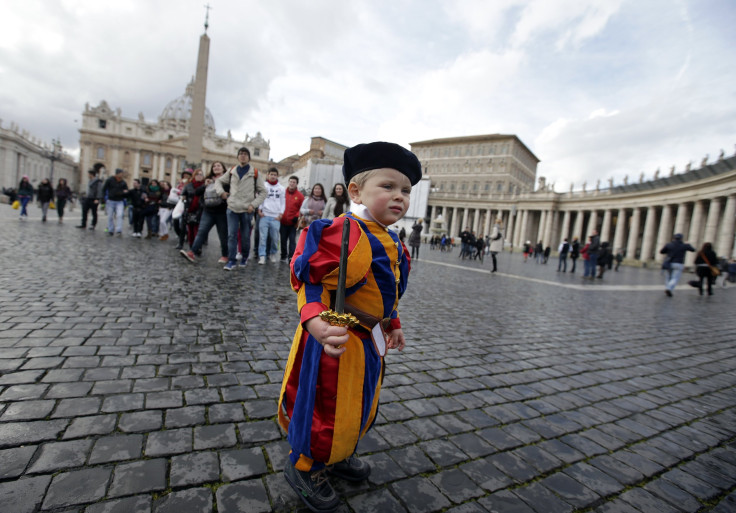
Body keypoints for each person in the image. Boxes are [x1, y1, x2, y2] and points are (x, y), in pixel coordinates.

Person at [279, 141, 419, 512]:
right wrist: (314, 321)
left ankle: (339, 452)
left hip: (368, 341)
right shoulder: (345, 232)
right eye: (387, 186)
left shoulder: (393, 241)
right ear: (356, 191)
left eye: (405, 190)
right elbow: (309, 279)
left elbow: (387, 292)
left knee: (357, 401)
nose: (399, 197)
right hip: (334, 337)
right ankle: (305, 465)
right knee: (324, 403)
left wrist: (394, 323)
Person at [215, 147, 267, 270]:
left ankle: (244, 257)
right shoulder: (232, 170)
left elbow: (263, 192)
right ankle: (231, 260)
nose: (243, 156)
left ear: (249, 157)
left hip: (246, 210)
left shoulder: (254, 172)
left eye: (245, 154)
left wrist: (253, 205)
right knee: (231, 235)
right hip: (232, 208)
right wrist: (221, 193)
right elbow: (218, 181)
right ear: (238, 157)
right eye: (240, 154)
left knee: (245, 237)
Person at [182, 162, 230, 264]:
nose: (216, 167)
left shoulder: (228, 180)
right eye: (214, 166)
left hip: (221, 212)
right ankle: (192, 252)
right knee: (201, 232)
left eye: (218, 166)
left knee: (223, 235)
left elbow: (231, 193)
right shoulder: (208, 179)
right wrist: (205, 185)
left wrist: (225, 192)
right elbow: (197, 192)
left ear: (223, 169)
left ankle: (225, 255)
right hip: (208, 211)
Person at [258, 167, 286, 264]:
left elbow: (283, 202)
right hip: (264, 215)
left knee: (275, 238)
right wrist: (259, 210)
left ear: (277, 176)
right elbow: (260, 198)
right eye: (271, 174)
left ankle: (273, 253)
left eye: (275, 175)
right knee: (263, 237)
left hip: (276, 217)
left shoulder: (281, 188)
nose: (273, 176)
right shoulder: (263, 186)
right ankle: (262, 255)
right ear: (268, 175)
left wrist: (281, 214)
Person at [280, 175, 304, 263]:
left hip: (293, 222)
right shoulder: (283, 193)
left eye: (294, 182)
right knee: (283, 239)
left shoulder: (300, 196)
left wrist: (297, 215)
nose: (292, 184)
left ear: (296, 184)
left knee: (292, 240)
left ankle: (291, 256)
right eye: (290, 182)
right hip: (283, 221)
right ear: (288, 182)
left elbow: (302, 207)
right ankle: (283, 255)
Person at [182, 169, 205, 248]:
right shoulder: (188, 185)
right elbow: (184, 196)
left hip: (201, 209)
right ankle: (191, 246)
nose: (199, 176)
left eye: (201, 174)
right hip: (190, 209)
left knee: (198, 230)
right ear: (194, 176)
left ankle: (197, 247)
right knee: (190, 230)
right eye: (197, 174)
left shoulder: (205, 185)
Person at [103, 169, 129, 236]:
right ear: (117, 173)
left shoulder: (123, 182)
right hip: (111, 200)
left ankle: (119, 230)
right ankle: (111, 230)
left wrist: (124, 193)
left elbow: (126, 190)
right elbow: (104, 189)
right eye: (121, 173)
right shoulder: (110, 180)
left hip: (120, 201)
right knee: (110, 216)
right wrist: (104, 199)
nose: (122, 174)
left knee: (120, 215)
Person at [172, 169, 192, 249]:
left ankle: (182, 241)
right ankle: (181, 235)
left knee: (185, 223)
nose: (185, 176)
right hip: (180, 203)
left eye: (188, 175)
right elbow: (178, 192)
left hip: (189, 204)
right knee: (176, 220)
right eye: (184, 175)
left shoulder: (191, 184)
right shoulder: (180, 183)